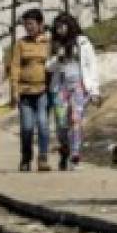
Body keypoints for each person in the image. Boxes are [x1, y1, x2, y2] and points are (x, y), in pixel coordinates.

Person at [47, 13, 100, 170]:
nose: (59, 30)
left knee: (76, 121)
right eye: (56, 28)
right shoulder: (55, 44)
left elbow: (92, 66)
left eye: (61, 26)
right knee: (62, 123)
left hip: (79, 86)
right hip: (60, 87)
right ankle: (65, 150)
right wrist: (58, 59)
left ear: (70, 25)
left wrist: (95, 90)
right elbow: (48, 66)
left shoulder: (83, 43)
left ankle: (75, 156)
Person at [9, 8, 52, 172]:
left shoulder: (48, 43)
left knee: (43, 124)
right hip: (25, 92)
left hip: (43, 90)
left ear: (40, 24)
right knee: (27, 127)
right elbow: (15, 66)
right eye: (26, 24)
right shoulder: (20, 44)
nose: (28, 27)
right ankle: (26, 157)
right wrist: (14, 90)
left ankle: (43, 158)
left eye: (31, 24)